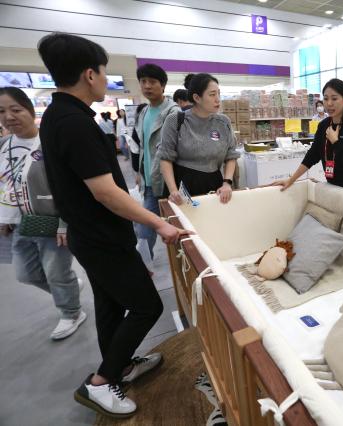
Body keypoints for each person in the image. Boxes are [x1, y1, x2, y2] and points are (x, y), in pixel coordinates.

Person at [37, 32, 191, 418]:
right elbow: (105, 191)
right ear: (90, 74)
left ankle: (120, 365)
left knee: (108, 305)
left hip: (91, 235)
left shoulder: (61, 116)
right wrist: (159, 224)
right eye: (105, 73)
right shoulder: (73, 122)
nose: (108, 80)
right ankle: (101, 382)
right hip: (101, 236)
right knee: (146, 305)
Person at [0, 86, 86, 340]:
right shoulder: (4, 146)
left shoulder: (48, 143)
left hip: (50, 221)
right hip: (19, 223)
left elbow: (67, 187)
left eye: (15, 110)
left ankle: (71, 312)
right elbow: (6, 184)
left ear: (29, 110)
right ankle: (69, 288)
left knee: (57, 272)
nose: (9, 117)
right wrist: (4, 218)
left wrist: (64, 222)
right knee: (25, 274)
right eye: (2, 112)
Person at [273, 78, 343, 194]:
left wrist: (336, 142)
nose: (329, 103)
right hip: (334, 187)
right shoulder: (323, 125)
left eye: (334, 98)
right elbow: (312, 155)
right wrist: (291, 180)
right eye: (326, 98)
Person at [159, 73, 239, 204]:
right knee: (183, 224)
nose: (218, 99)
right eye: (212, 94)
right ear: (197, 97)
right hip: (182, 186)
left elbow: (231, 155)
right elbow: (165, 157)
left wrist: (227, 183)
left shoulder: (223, 122)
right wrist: (173, 191)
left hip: (215, 185)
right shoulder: (176, 120)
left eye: (218, 93)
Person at [134, 63, 180, 258]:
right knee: (146, 230)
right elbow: (143, 147)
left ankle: (146, 267)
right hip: (149, 180)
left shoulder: (173, 112)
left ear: (163, 85)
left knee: (168, 228)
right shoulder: (143, 112)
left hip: (168, 182)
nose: (147, 86)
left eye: (152, 82)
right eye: (143, 81)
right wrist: (139, 172)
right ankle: (146, 267)